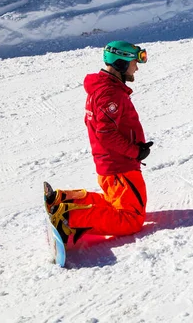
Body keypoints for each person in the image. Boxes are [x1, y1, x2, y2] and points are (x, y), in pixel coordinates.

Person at [44, 40, 153, 245]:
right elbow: (105, 133)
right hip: (120, 167)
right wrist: (134, 152)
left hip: (112, 166)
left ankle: (64, 200)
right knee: (131, 219)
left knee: (113, 204)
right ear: (121, 63)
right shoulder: (109, 93)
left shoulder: (103, 89)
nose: (137, 67)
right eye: (135, 61)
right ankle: (67, 220)